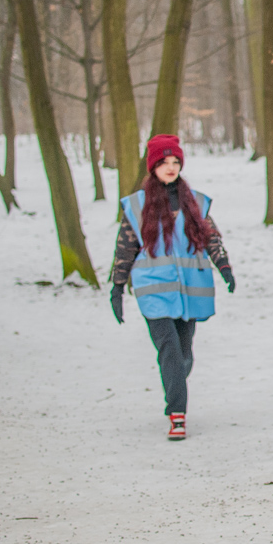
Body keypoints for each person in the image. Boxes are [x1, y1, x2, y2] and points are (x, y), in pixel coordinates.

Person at [109, 134, 235, 441]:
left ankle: (174, 381)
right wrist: (117, 288)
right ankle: (177, 414)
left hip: (189, 291)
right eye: (164, 162)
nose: (170, 167)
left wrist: (224, 267)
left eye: (175, 161)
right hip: (153, 290)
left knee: (184, 354)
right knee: (170, 350)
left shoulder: (196, 203)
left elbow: (211, 238)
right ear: (153, 166)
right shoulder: (137, 206)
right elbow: (125, 248)